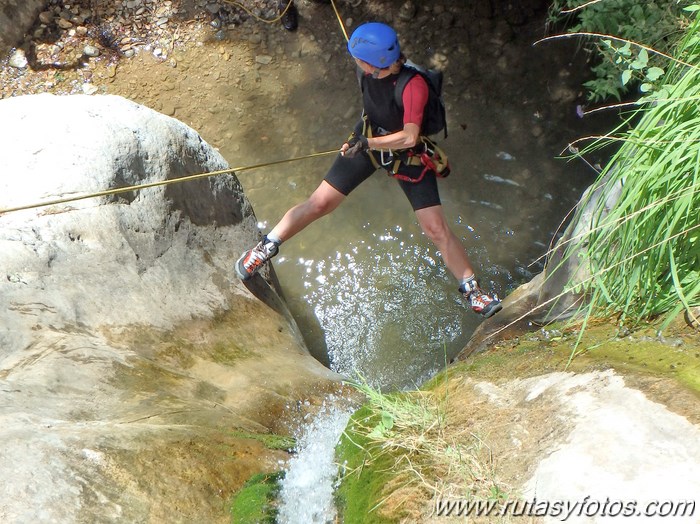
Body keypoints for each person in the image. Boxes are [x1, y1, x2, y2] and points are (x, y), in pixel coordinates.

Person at [235, 22, 502, 318]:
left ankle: (473, 291)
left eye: (359, 59)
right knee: (320, 202)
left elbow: (410, 136)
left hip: (405, 154)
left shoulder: (413, 86)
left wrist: (367, 144)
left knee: (436, 229)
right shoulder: (368, 70)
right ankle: (265, 248)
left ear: (374, 63)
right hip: (369, 139)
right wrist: (365, 142)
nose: (355, 63)